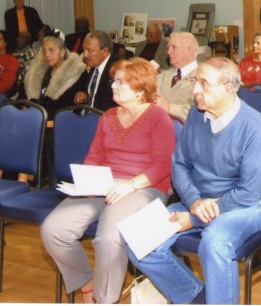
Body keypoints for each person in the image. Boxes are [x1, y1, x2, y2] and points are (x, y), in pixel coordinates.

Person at [128, 57, 261, 305]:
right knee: (139, 242)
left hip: (244, 205)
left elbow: (249, 192)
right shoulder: (197, 115)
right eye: (196, 82)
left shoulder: (254, 127)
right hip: (196, 201)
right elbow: (179, 165)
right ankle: (201, 300)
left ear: (228, 88)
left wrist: (193, 218)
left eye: (204, 84)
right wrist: (194, 203)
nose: (195, 90)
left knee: (214, 243)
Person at [41, 58, 175, 304]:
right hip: (106, 186)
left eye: (120, 82)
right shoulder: (109, 116)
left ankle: (105, 300)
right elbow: (95, 156)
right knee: (53, 229)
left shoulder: (158, 117)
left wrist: (130, 184)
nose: (113, 86)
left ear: (139, 89)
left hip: (145, 187)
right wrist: (87, 183)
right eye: (114, 81)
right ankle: (86, 284)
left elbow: (164, 165)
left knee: (110, 238)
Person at [23, 36, 86, 119]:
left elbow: (67, 105)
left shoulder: (75, 72)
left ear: (62, 52)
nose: (47, 55)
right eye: (44, 51)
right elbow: (23, 97)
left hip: (61, 121)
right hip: (36, 119)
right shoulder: (39, 72)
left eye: (51, 51)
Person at [155, 32, 200, 123]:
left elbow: (204, 113)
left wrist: (169, 108)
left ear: (189, 50)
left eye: (174, 47)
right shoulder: (161, 76)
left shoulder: (203, 78)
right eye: (169, 47)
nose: (168, 52)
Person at [72, 31, 120, 113]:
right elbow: (94, 92)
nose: (85, 55)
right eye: (84, 50)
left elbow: (112, 105)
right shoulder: (96, 63)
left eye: (90, 51)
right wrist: (84, 95)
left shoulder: (118, 70)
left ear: (104, 51)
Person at [12, 31, 36, 96]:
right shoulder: (13, 52)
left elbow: (26, 73)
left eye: (22, 38)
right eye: (18, 37)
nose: (18, 39)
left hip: (22, 86)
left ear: (28, 41)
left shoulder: (30, 54)